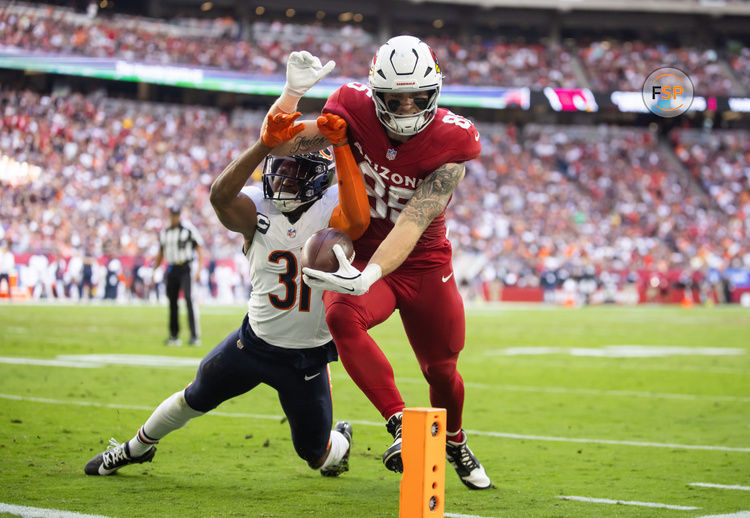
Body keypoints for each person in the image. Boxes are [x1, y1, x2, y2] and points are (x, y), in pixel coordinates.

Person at [84, 110, 370, 478]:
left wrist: (343, 145)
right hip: (253, 344)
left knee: (316, 454)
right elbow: (220, 197)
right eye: (277, 170)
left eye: (292, 174)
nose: (280, 180)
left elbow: (359, 218)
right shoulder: (257, 206)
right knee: (194, 396)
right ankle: (132, 449)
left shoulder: (335, 206)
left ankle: (340, 440)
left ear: (317, 179)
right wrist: (263, 145)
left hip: (306, 358)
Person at [264, 38, 491, 490]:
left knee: (441, 371)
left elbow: (413, 221)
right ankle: (401, 425)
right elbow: (279, 143)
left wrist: (370, 275)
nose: (407, 107)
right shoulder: (350, 107)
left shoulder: (454, 139)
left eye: (416, 96)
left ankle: (455, 440)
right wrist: (290, 97)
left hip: (423, 262)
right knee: (341, 316)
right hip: (363, 248)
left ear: (434, 92)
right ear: (375, 94)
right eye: (396, 97)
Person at [153, 204, 205, 346]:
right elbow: (160, 253)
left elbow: (199, 248)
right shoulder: (165, 233)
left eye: (176, 215)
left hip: (185, 267)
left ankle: (194, 336)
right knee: (172, 302)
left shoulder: (188, 230)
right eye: (172, 215)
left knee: (189, 299)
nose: (174, 218)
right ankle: (174, 336)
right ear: (170, 216)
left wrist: (199, 269)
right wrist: (154, 270)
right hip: (171, 268)